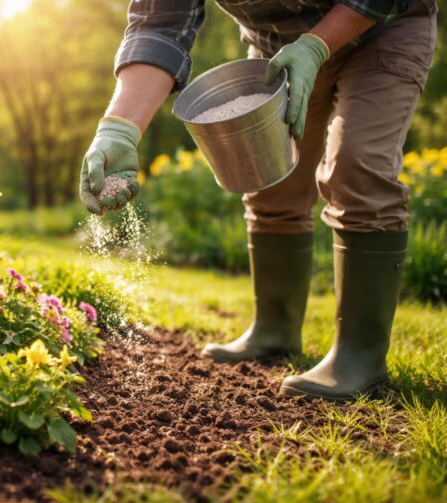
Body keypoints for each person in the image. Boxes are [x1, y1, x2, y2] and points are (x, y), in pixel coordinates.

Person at [79, 0, 437, 401]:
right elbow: (160, 26)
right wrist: (119, 129)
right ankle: (274, 330)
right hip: (277, 50)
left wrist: (317, 45)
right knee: (268, 179)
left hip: (382, 27)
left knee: (357, 166)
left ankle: (359, 357)